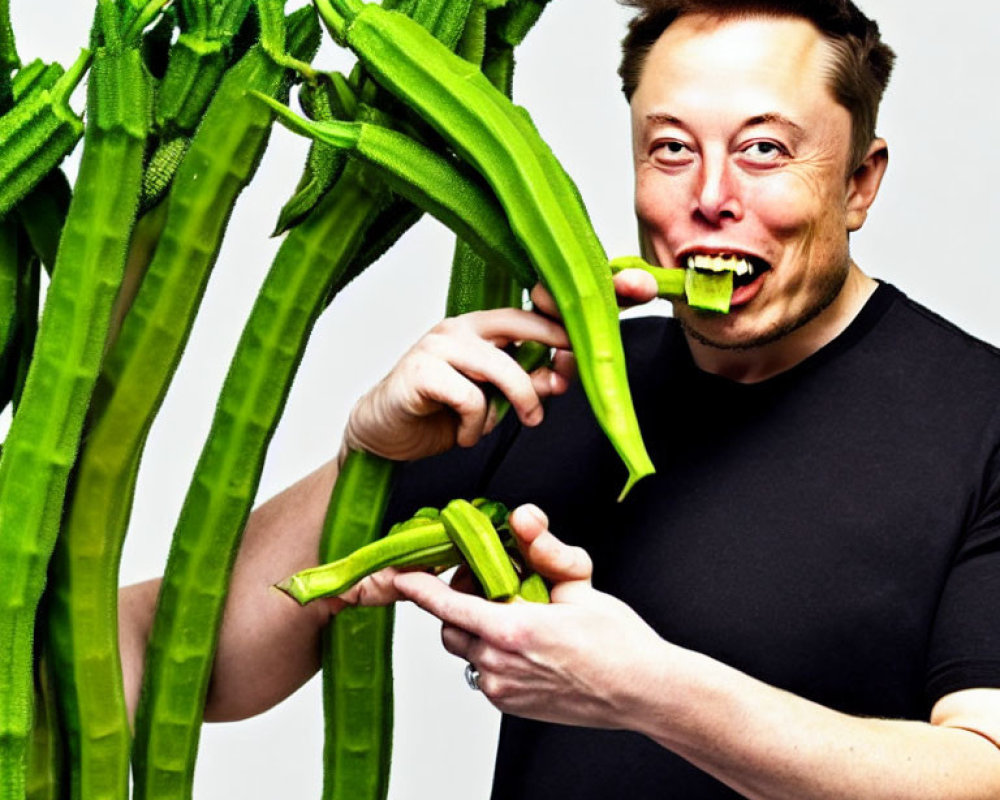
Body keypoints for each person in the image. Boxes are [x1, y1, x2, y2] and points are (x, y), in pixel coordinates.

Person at [120, 0, 1000, 797]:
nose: (711, 199)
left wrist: (647, 690)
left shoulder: (983, 418)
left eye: (764, 148)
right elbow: (184, 670)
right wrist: (369, 455)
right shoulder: (546, 380)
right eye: (672, 149)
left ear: (859, 182)